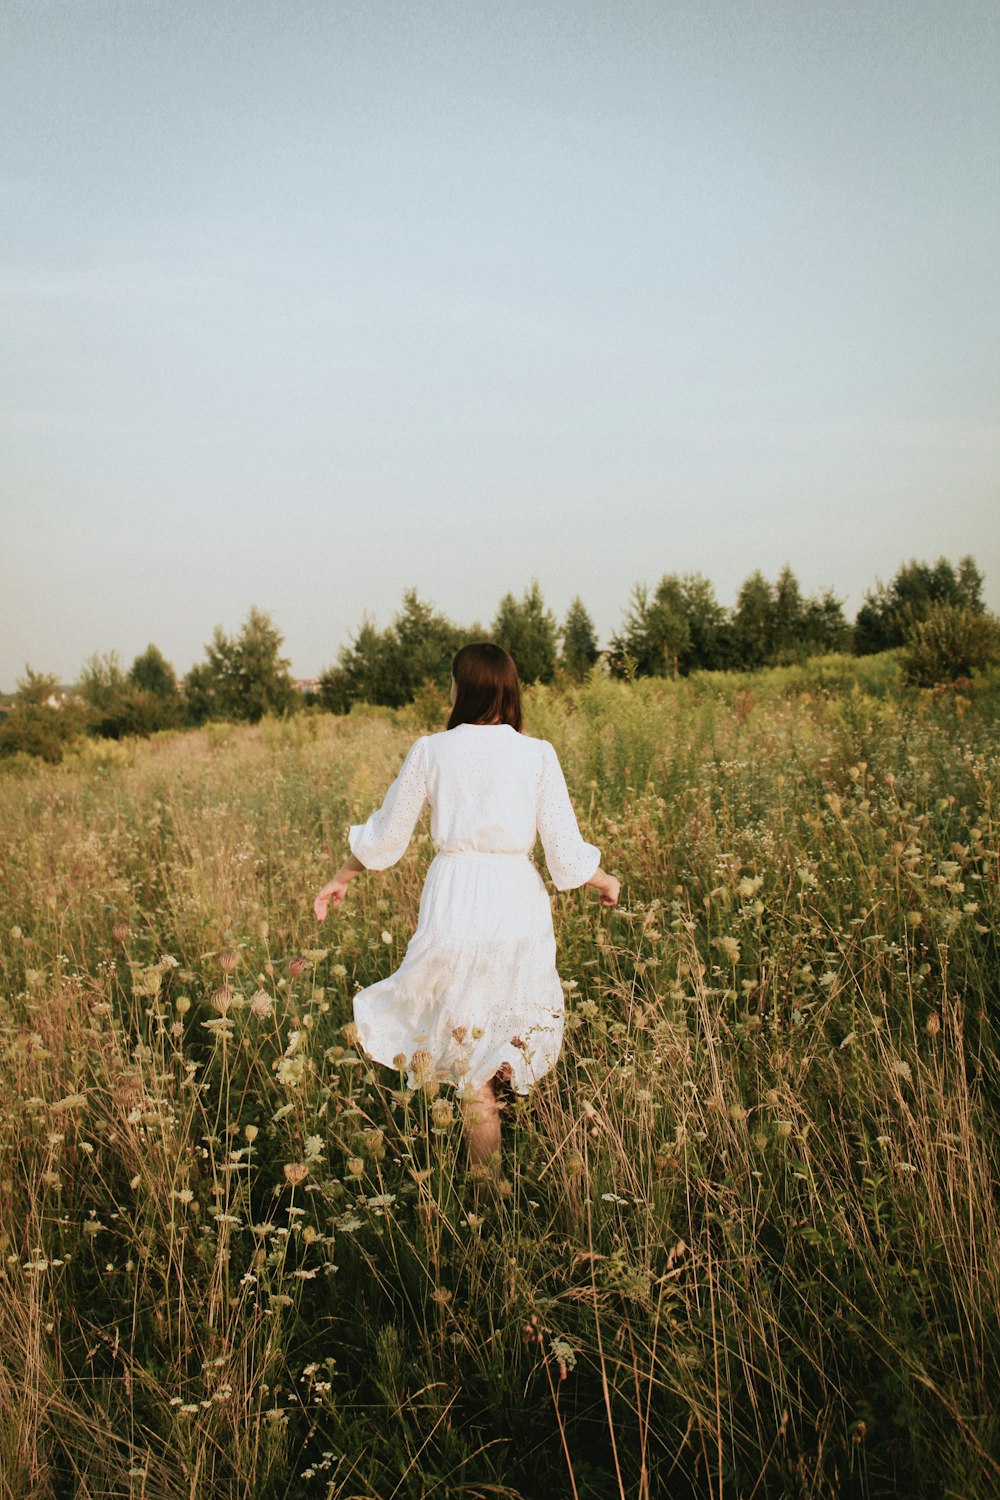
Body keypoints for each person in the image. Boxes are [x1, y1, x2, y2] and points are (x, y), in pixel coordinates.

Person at [313, 642, 620, 1168]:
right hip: (518, 902)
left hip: (456, 900)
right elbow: (564, 853)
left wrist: (343, 877)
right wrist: (604, 879)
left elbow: (388, 834)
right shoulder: (537, 753)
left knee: (468, 1056)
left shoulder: (432, 750)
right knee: (506, 1040)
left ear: (466, 688)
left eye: (453, 681)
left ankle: (483, 1196)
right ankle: (497, 1177)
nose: (450, 690)